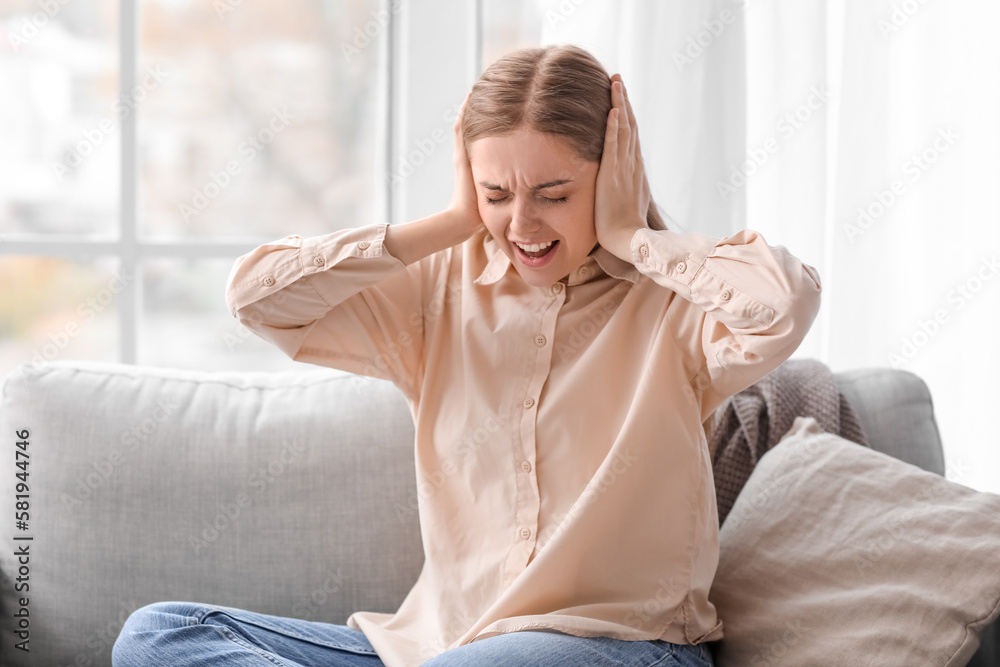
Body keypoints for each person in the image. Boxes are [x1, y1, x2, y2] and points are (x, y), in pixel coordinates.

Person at [113, 43, 821, 667]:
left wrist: (633, 234)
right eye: (495, 194)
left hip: (618, 646)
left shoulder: (677, 306)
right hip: (441, 645)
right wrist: (448, 224)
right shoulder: (436, 296)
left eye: (554, 193)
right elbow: (256, 299)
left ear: (610, 178)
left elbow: (784, 304)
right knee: (160, 634)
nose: (522, 223)